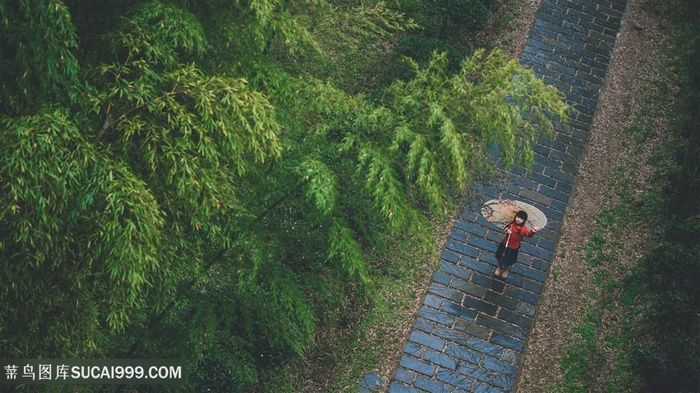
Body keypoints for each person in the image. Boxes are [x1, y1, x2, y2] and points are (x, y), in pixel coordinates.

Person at [495, 210, 541, 279]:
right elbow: (506, 227)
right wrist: (507, 230)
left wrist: (533, 230)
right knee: (501, 257)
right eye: (518, 217)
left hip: (513, 247)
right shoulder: (511, 224)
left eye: (521, 219)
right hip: (505, 244)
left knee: (509, 260)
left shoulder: (522, 229)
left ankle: (506, 269)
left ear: (524, 221)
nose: (519, 220)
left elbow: (528, 234)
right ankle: (499, 267)